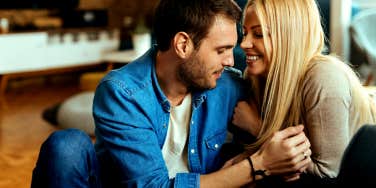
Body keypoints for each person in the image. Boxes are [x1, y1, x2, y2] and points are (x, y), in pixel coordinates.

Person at [31, 0, 312, 187]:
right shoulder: (122, 93)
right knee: (66, 147)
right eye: (221, 50)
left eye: (231, 49)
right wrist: (257, 165)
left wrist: (256, 127)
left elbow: (293, 153)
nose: (230, 61)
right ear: (182, 45)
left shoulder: (228, 86)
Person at [231, 0, 376, 186]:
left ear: (290, 37)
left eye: (258, 34)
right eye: (245, 32)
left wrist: (257, 128)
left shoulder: (323, 78)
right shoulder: (255, 76)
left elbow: (328, 175)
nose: (244, 43)